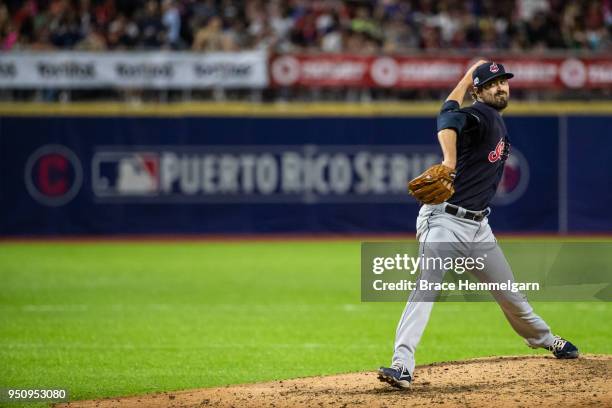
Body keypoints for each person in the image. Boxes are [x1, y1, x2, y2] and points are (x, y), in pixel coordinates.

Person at [377, 60, 579, 389]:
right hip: (444, 221)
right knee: (427, 286)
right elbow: (447, 118)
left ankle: (544, 338)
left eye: (504, 82)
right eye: (493, 83)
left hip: (478, 228)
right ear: (480, 91)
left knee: (510, 294)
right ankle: (402, 364)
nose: (501, 87)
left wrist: (468, 74)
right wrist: (450, 160)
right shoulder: (481, 114)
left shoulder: (491, 117)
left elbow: (447, 105)